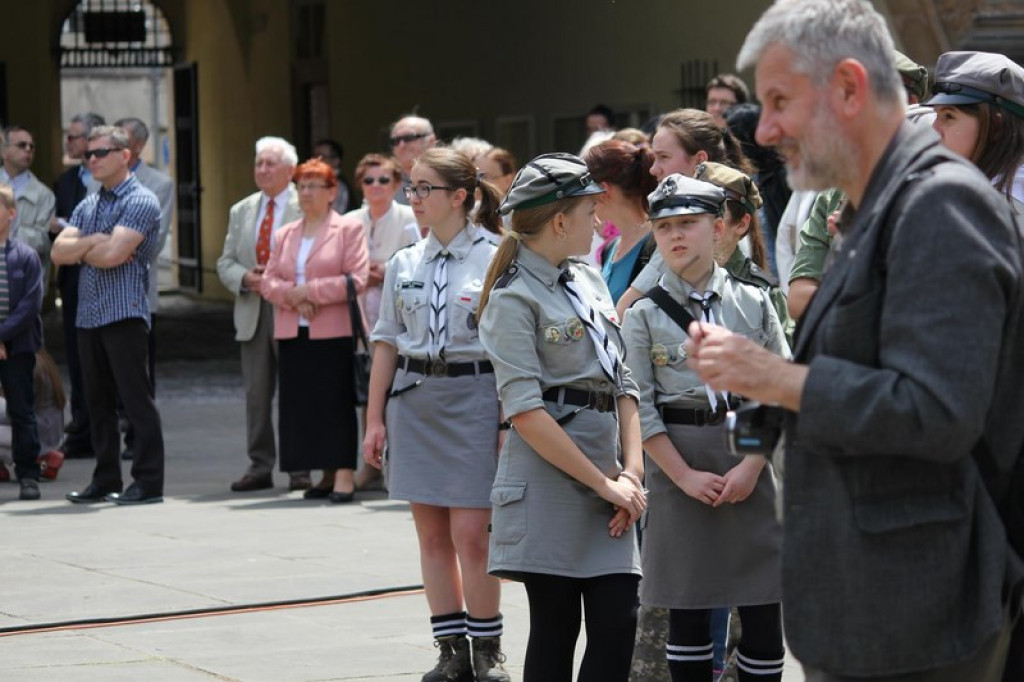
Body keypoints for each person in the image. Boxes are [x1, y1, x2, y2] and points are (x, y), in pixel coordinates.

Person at [687, 1, 1023, 679]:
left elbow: (935, 411)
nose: (768, 129)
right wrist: (760, 406)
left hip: (920, 612)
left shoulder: (939, 205)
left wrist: (777, 379)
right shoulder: (880, 205)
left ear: (848, 87)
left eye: (781, 101)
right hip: (869, 604)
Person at [477, 153, 647, 681]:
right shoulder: (513, 297)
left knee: (619, 622)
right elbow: (526, 413)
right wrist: (605, 485)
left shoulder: (589, 279)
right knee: (555, 631)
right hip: (550, 481)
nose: (599, 222)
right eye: (590, 211)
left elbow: (624, 382)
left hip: (607, 477)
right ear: (558, 221)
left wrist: (631, 476)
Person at [622, 174, 787, 682]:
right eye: (665, 225)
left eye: (688, 224)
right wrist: (683, 476)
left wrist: (751, 467)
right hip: (678, 463)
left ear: (718, 228)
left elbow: (777, 385)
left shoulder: (753, 300)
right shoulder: (643, 315)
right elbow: (640, 407)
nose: (675, 236)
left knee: (763, 606)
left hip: (747, 454)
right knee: (687, 611)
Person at [362, 148, 510, 682]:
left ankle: (487, 649)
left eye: (425, 189)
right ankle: (450, 650)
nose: (414, 199)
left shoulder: (496, 254)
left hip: (474, 399)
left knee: (473, 534)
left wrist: (504, 421)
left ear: (460, 197)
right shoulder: (405, 261)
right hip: (415, 400)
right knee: (430, 537)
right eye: (412, 189)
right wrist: (373, 419)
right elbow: (385, 342)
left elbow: (506, 349)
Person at [53, 125, 165, 506]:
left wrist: (83, 248)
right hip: (89, 314)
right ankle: (105, 479)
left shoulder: (141, 200)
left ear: (125, 155)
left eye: (101, 152)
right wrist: (92, 244)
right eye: (88, 155)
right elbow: (57, 252)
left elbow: (115, 254)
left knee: (135, 401)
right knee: (96, 401)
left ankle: (148, 481)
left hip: (125, 313)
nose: (93, 160)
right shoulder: (89, 203)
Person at [260, 158, 368, 502]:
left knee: (334, 404)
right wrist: (293, 298)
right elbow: (268, 281)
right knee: (302, 405)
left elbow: (357, 279)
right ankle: (322, 472)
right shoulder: (285, 233)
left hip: (333, 331)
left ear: (331, 192)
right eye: (301, 186)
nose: (305, 193)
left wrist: (310, 291)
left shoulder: (347, 229)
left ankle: (344, 475)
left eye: (313, 186)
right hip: (294, 330)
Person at [216, 137, 310, 493]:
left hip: (290, 307)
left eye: (271, 163)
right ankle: (259, 464)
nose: (263, 169)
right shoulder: (243, 209)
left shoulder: (305, 204)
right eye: (259, 163)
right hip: (253, 309)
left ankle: (300, 465)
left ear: (290, 170)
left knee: (295, 390)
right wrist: (244, 277)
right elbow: (226, 260)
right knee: (256, 393)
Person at [344, 153, 418, 492]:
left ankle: (397, 463)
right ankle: (370, 461)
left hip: (395, 308)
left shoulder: (406, 217)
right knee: (368, 387)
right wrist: (362, 274)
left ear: (397, 185)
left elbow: (416, 255)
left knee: (395, 384)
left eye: (383, 180)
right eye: (369, 180)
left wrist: (384, 271)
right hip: (358, 309)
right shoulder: (350, 220)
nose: (376, 186)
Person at [114, 117, 175, 461]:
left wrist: (108, 246)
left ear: (135, 146)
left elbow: (152, 241)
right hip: (101, 293)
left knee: (139, 370)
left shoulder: (158, 184)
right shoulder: (100, 179)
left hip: (138, 291)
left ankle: (140, 439)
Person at [52, 112, 104, 460]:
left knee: (108, 360)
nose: (68, 143)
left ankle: (107, 431)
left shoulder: (111, 181)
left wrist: (77, 237)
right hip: (73, 281)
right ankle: (82, 427)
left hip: (107, 278)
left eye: (74, 137)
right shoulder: (65, 181)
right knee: (78, 356)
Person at [928, 51, 1024, 208]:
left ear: (995, 126)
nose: (934, 130)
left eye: (948, 116)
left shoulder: (985, 210)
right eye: (936, 116)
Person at [0, 183, 44, 500]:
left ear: (11, 213)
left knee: (22, 410)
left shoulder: (25, 256)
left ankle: (28, 473)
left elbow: (30, 306)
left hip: (18, 346)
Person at [583, 139, 658, 302]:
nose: (583, 199)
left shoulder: (658, 244)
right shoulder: (609, 248)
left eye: (585, 189)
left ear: (604, 190)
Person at [0, 126, 56, 293]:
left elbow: (42, 242)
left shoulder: (44, 195)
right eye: (21, 145)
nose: (28, 150)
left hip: (24, 289)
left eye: (31, 146)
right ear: (4, 152)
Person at [389, 115, 437, 206]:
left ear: (431, 141)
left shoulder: (447, 176)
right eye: (396, 140)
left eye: (409, 138)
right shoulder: (383, 180)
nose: (401, 145)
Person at [312, 138, 353, 214]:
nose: (316, 160)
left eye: (322, 157)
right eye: (315, 156)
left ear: (335, 161)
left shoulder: (339, 185)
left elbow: (336, 216)